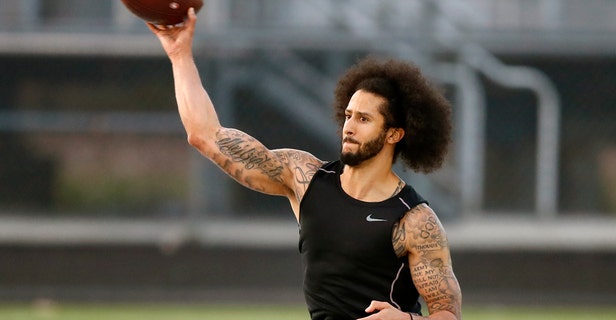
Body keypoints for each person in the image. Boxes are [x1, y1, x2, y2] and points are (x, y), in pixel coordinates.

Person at [147, 8, 462, 320]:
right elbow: (205, 135)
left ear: (394, 133)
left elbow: (449, 315)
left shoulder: (416, 221)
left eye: (364, 119)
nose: (349, 127)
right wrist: (180, 56)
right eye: (348, 115)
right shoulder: (305, 178)